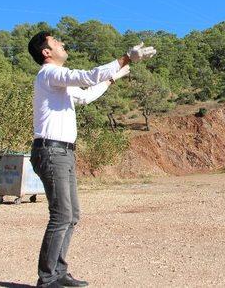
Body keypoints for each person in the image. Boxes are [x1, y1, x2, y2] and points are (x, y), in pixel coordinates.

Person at [27, 31, 156, 287]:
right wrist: (125, 59)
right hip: (52, 151)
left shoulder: (59, 84)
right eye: (56, 42)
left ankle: (59, 273)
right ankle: (47, 278)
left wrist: (111, 80)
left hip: (62, 152)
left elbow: (85, 96)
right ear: (46, 52)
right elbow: (87, 76)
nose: (62, 43)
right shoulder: (50, 74)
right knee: (61, 215)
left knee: (71, 214)